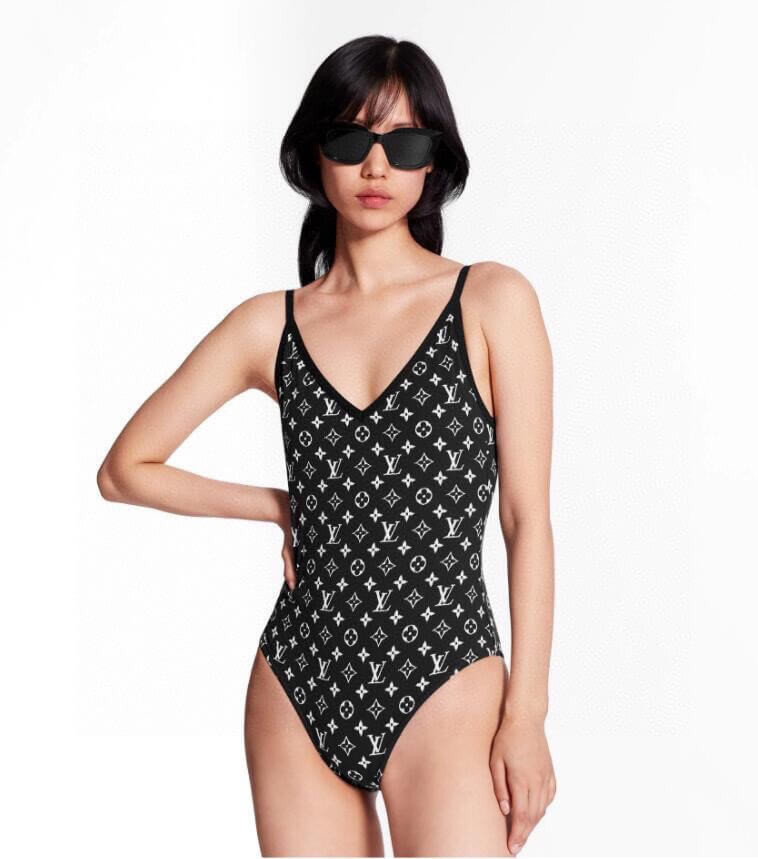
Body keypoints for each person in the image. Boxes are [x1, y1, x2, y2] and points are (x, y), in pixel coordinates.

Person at [97, 34, 555, 858]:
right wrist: (278, 505)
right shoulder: (268, 325)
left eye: (404, 143)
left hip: (446, 671)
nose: (377, 166)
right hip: (299, 675)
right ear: (317, 154)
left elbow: (526, 521)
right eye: (352, 140)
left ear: (433, 162)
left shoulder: (490, 300)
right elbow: (125, 468)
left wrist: (527, 714)